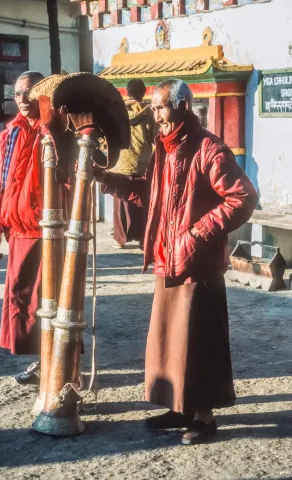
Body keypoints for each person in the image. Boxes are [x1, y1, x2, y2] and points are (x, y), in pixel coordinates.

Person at [94, 79, 258, 444]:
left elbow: (243, 197)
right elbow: (147, 193)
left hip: (197, 264)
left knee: (199, 343)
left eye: (161, 108)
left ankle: (204, 416)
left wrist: (198, 233)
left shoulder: (209, 149)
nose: (156, 116)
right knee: (170, 341)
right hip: (169, 260)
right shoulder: (165, 150)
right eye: (153, 109)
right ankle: (179, 405)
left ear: (183, 107)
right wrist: (106, 179)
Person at [0, 71, 45, 381]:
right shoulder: (10, 134)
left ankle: (57, 365)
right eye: (18, 93)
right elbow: (3, 184)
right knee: (20, 298)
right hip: (17, 230)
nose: (23, 98)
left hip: (47, 231)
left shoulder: (54, 132)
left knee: (46, 300)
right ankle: (41, 361)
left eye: (30, 92)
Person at [110, 79, 156, 249]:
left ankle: (120, 240)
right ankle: (142, 238)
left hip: (119, 163)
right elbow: (154, 138)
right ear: (143, 92)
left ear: (126, 92)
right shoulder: (149, 113)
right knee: (142, 202)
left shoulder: (117, 112)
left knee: (120, 203)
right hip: (141, 164)